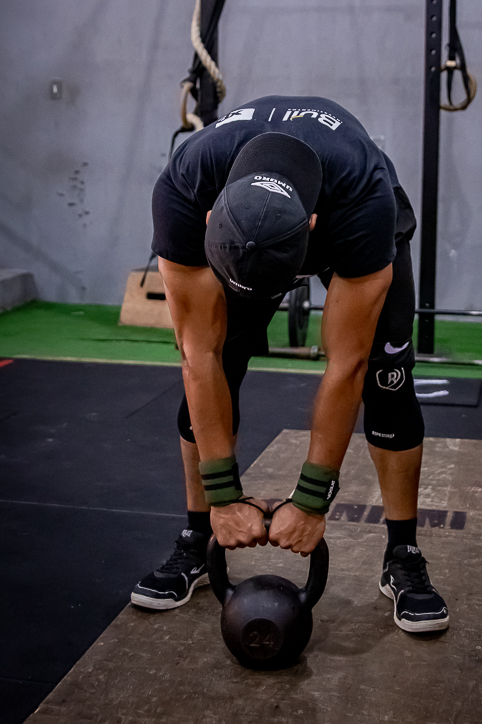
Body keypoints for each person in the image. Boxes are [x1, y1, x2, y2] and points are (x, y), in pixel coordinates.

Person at [130, 95, 449, 633]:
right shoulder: (185, 189)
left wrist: (311, 500)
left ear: (312, 227)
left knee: (385, 378)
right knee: (218, 361)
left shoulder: (363, 198)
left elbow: (344, 365)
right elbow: (197, 356)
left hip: (352, 213)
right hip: (244, 223)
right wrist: (223, 499)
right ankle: (197, 537)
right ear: (209, 220)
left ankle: (403, 554)